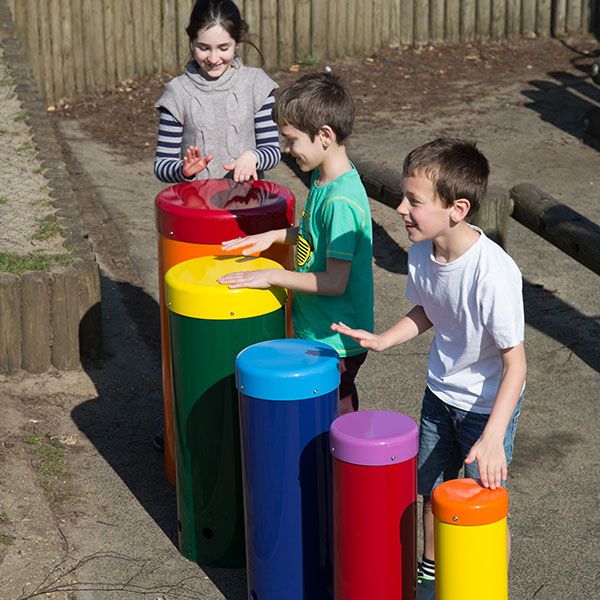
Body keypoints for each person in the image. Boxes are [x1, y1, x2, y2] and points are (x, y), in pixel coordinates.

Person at [331, 138, 526, 600]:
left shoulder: (493, 273)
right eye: (403, 197)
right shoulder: (421, 252)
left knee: (481, 503)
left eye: (413, 201)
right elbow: (428, 311)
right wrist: (384, 339)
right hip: (440, 394)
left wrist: (494, 435)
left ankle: (485, 584)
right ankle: (430, 574)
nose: (400, 208)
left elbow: (515, 364)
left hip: (486, 406)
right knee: (432, 491)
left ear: (457, 208)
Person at [218, 72, 374, 415]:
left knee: (332, 416)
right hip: (317, 330)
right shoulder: (324, 179)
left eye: (291, 140)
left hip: (337, 341)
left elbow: (334, 282)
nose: (287, 150)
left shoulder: (341, 203)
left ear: (324, 136)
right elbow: (314, 237)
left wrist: (273, 276)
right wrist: (273, 236)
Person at [154, 0, 280, 184]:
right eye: (203, 48)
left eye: (223, 48)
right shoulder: (177, 94)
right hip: (196, 209)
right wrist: (183, 170)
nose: (213, 58)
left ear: (236, 42)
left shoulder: (257, 85)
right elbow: (162, 165)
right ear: (192, 41)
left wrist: (254, 157)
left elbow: (273, 151)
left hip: (247, 207)